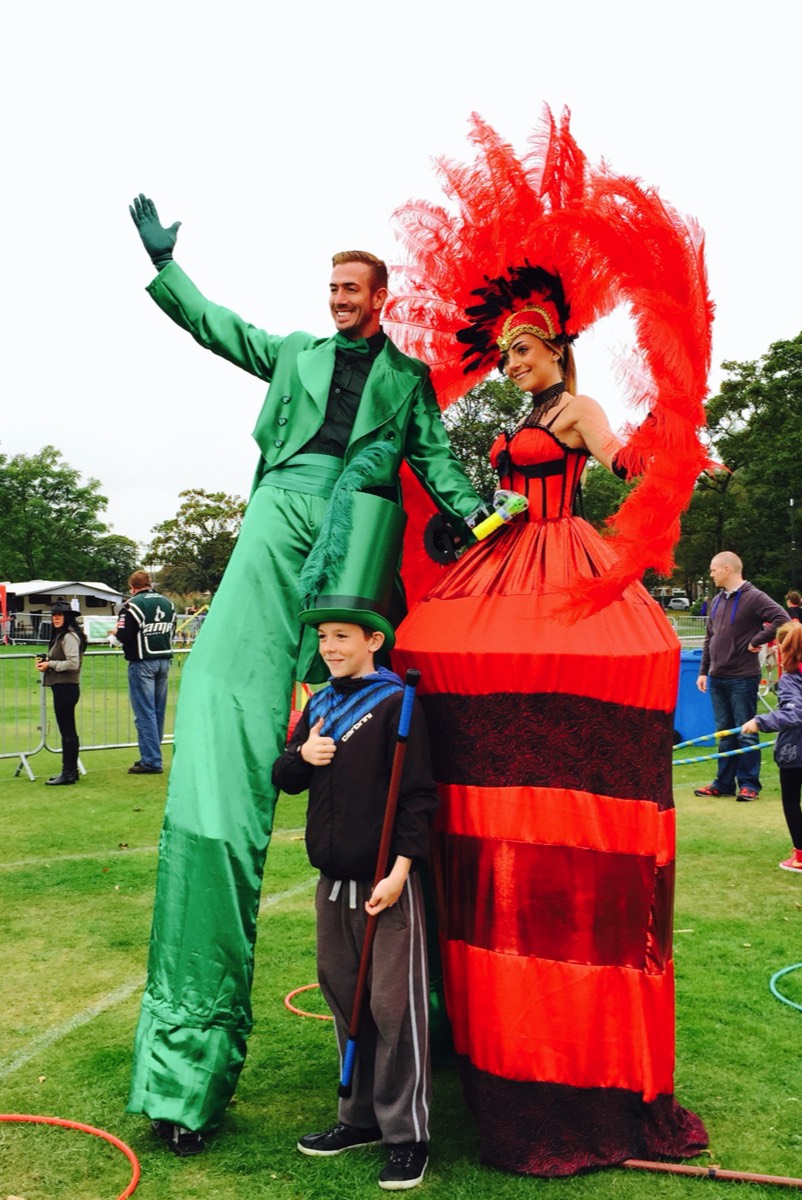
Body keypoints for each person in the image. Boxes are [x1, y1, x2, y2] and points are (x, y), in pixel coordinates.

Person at [385, 110, 711, 1176]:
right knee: (430, 648)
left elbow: (621, 473)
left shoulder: (575, 413)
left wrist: (662, 459)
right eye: (506, 353)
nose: (513, 365)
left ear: (558, 347)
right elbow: (484, 505)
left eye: (524, 350)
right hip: (501, 556)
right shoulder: (518, 415)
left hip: (562, 560)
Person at [125, 197, 485, 1147]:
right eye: (328, 289)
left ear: (381, 297)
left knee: (380, 760)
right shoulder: (292, 353)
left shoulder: (406, 380)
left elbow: (439, 466)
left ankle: (413, 1052)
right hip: (279, 520)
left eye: (351, 289)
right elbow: (219, 329)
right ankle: (184, 1073)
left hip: (356, 539)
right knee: (212, 719)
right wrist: (169, 271)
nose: (336, 301)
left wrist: (482, 517)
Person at [272, 613, 436, 1192]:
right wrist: (303, 757)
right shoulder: (318, 706)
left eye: (341, 636)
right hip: (332, 883)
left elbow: (417, 796)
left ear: (374, 641)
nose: (330, 647)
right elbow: (284, 775)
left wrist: (398, 873)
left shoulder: (397, 702)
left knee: (395, 1011)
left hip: (385, 884)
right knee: (345, 1001)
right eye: (323, 637)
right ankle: (357, 1119)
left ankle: (407, 1137)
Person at [694, 553, 789, 801]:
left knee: (747, 730)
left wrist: (756, 641)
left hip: (742, 677)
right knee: (724, 732)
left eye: (714, 570)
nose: (711, 574)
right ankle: (723, 783)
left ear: (727, 569)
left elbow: (782, 619)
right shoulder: (716, 600)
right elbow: (709, 639)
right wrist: (703, 671)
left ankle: (749, 784)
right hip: (717, 676)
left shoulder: (754, 596)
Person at [741, 623, 802, 877]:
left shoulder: (792, 677)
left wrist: (759, 722)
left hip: (796, 750)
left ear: (785, 650)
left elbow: (793, 713)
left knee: (791, 800)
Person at [113, 570, 175, 775]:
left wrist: (114, 636)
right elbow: (172, 630)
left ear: (132, 587)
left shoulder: (132, 605)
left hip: (142, 662)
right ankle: (152, 755)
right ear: (149, 583)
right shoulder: (168, 603)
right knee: (158, 711)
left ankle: (152, 760)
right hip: (164, 660)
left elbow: (125, 635)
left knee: (144, 713)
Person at [36, 600, 87, 786]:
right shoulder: (62, 635)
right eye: (54, 615)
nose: (56, 618)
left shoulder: (69, 636)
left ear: (67, 617)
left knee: (67, 731)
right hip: (63, 686)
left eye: (60, 615)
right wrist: (46, 663)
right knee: (67, 730)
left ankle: (69, 772)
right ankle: (70, 771)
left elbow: (72, 664)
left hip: (66, 686)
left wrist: (51, 664)